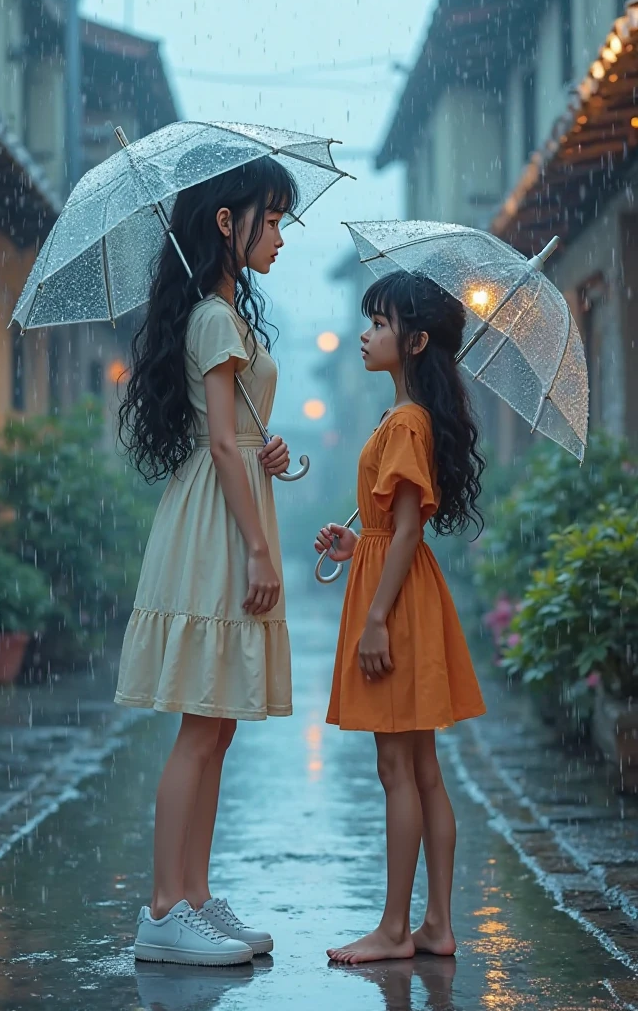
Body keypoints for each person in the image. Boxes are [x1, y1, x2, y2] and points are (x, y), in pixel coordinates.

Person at [116, 155, 298, 966]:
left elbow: (238, 437)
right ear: (227, 221)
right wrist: (259, 547)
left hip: (229, 504)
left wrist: (269, 450)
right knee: (200, 722)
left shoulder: (223, 313)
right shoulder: (215, 319)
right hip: (218, 525)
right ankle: (163, 908)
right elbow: (219, 441)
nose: (281, 236)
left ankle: (192, 895)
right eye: (273, 217)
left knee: (217, 724)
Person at [315, 270, 487, 965]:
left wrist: (376, 618)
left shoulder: (408, 422)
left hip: (399, 602)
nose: (365, 333)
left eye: (380, 324)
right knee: (421, 769)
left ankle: (394, 929)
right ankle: (436, 925)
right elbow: (398, 528)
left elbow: (412, 530)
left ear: (414, 342)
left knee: (398, 767)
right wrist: (361, 546)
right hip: (404, 588)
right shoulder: (407, 417)